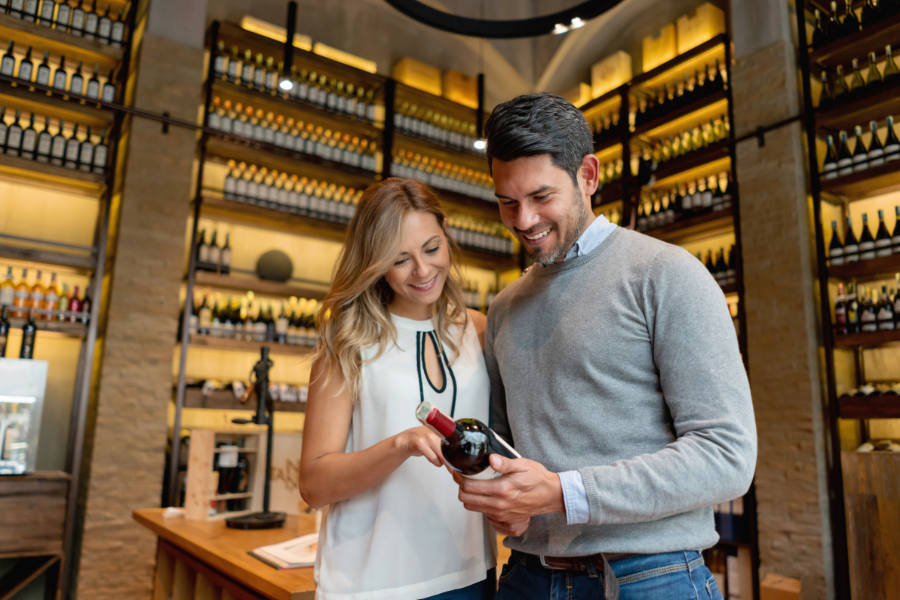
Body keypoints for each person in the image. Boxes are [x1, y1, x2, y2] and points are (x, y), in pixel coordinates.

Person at [451, 93, 757, 599]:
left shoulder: (666, 274)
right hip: (527, 576)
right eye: (508, 201)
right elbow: (504, 446)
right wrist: (492, 485)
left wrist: (562, 492)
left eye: (541, 196)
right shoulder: (505, 307)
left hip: (651, 576)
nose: (523, 220)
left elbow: (727, 456)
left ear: (588, 176)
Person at [299, 178, 497, 600]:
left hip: (470, 574)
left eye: (431, 249)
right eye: (399, 259)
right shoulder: (348, 344)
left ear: (446, 233)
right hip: (373, 584)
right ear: (376, 262)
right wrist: (400, 445)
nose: (423, 272)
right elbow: (314, 485)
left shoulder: (478, 329)